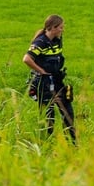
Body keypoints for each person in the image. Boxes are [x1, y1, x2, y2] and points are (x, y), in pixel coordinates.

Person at [22, 14, 76, 142]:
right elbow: (26, 59)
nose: (62, 30)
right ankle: (46, 143)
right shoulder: (40, 42)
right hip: (44, 82)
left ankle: (72, 143)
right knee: (48, 115)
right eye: (61, 27)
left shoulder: (58, 40)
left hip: (57, 80)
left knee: (68, 112)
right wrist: (41, 71)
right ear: (52, 27)